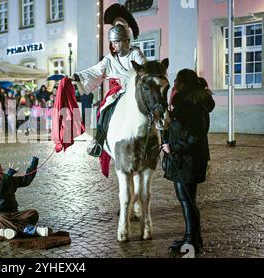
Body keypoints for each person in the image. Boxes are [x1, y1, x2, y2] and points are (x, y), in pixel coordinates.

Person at [73, 20, 147, 157]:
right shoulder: (109, 59)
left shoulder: (135, 54)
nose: (113, 45)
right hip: (119, 93)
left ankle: (162, 139)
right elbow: (95, 70)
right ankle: (99, 141)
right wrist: (79, 76)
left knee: (155, 108)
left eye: (116, 42)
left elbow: (145, 69)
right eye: (112, 42)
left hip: (136, 92)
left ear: (126, 41)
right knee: (103, 110)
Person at [162, 69, 215, 254]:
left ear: (182, 84)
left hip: (188, 160)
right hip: (188, 159)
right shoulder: (190, 103)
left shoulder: (191, 105)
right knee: (188, 200)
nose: (174, 85)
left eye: (176, 81)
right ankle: (192, 237)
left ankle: (191, 241)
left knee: (187, 201)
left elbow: (194, 135)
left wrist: (172, 147)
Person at [0, 156, 50, 239]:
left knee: (33, 213)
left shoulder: (6, 178)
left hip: (13, 214)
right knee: (1, 219)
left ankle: (7, 231)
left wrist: (34, 162)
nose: (0, 164)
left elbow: (26, 180)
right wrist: (9, 175)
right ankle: (33, 230)